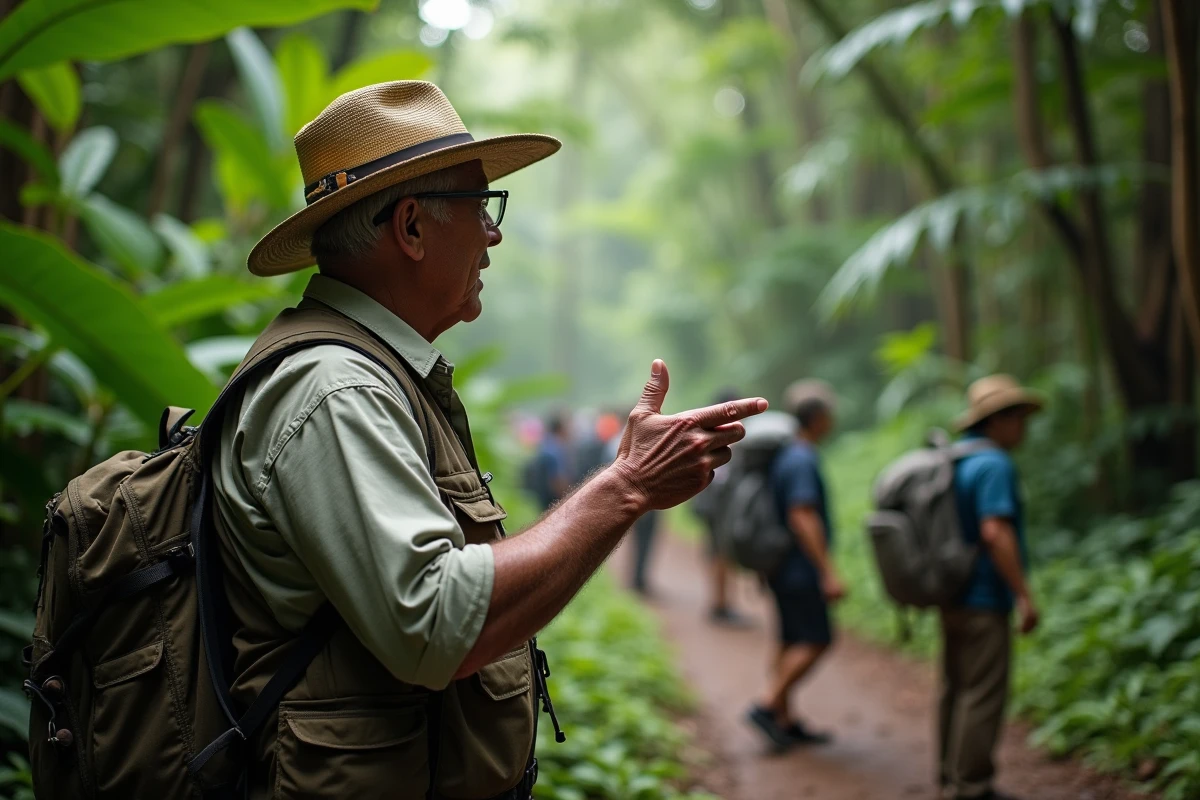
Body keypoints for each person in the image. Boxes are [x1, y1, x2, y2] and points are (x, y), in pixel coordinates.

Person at [211, 80, 767, 799]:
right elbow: (436, 626)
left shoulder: (369, 374)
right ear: (411, 227)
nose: (493, 234)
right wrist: (624, 485)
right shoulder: (337, 392)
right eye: (481, 208)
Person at [939, 375, 1043, 800]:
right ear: (998, 420)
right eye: (1019, 418)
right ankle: (972, 786)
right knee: (983, 694)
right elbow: (995, 531)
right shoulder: (995, 464)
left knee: (956, 687)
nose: (1024, 427)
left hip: (951, 593)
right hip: (984, 597)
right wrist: (1023, 594)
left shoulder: (958, 460)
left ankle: (950, 776)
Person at [746, 380, 844, 750]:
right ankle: (767, 705)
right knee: (817, 639)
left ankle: (785, 721)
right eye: (830, 414)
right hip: (799, 568)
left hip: (781, 565)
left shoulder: (786, 455)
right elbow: (802, 516)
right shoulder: (801, 457)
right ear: (817, 417)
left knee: (789, 639)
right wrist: (828, 571)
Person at [690, 388, 748, 624]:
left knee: (716, 552)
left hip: (708, 503)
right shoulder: (726, 433)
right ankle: (721, 605)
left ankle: (719, 602)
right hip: (719, 506)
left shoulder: (707, 431)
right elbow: (724, 476)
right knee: (721, 553)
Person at [527, 411, 573, 511]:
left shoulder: (545, 444)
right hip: (553, 501)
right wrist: (568, 500)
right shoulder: (555, 449)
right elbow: (557, 480)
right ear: (561, 428)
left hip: (542, 498)